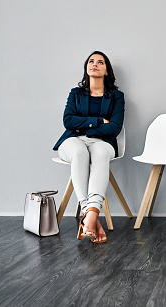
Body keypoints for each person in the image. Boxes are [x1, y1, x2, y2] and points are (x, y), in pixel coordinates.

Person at [53, 51, 124, 243]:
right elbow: (68, 121)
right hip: (72, 142)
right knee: (78, 150)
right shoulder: (75, 93)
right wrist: (99, 120)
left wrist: (85, 128)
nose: (95, 64)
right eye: (91, 61)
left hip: (102, 142)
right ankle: (91, 214)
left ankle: (88, 216)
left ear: (106, 70)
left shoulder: (116, 96)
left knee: (100, 151)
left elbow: (115, 127)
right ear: (86, 67)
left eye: (100, 62)